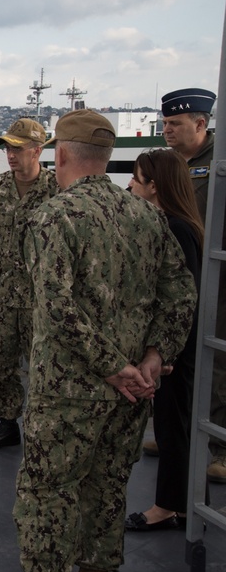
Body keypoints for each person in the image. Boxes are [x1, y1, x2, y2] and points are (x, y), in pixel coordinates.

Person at [0, 111, 197, 572]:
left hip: (71, 392)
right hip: (133, 393)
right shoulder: (146, 214)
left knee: (49, 491)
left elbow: (55, 307)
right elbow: (181, 295)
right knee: (107, 487)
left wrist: (112, 366)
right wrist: (151, 359)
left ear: (62, 154)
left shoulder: (55, 216)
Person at [124, 149, 204, 532]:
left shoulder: (174, 229)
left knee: (175, 427)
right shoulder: (178, 225)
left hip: (177, 347)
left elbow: (183, 296)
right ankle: (183, 505)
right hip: (178, 344)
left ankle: (168, 507)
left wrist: (165, 351)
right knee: (177, 425)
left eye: (137, 179)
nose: (130, 185)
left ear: (154, 187)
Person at [0, 118, 58, 451]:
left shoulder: (59, 190)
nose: (10, 155)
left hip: (42, 300)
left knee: (43, 366)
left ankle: (42, 429)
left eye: (17, 149)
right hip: (3, 297)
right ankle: (7, 424)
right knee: (1, 364)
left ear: (37, 151)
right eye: (7, 148)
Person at [161, 87, 226, 483]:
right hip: (175, 276)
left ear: (200, 124)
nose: (166, 130)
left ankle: (220, 448)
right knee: (175, 355)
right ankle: (175, 434)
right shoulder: (168, 163)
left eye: (175, 124)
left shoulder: (219, 162)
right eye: (165, 123)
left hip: (214, 277)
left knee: (216, 363)